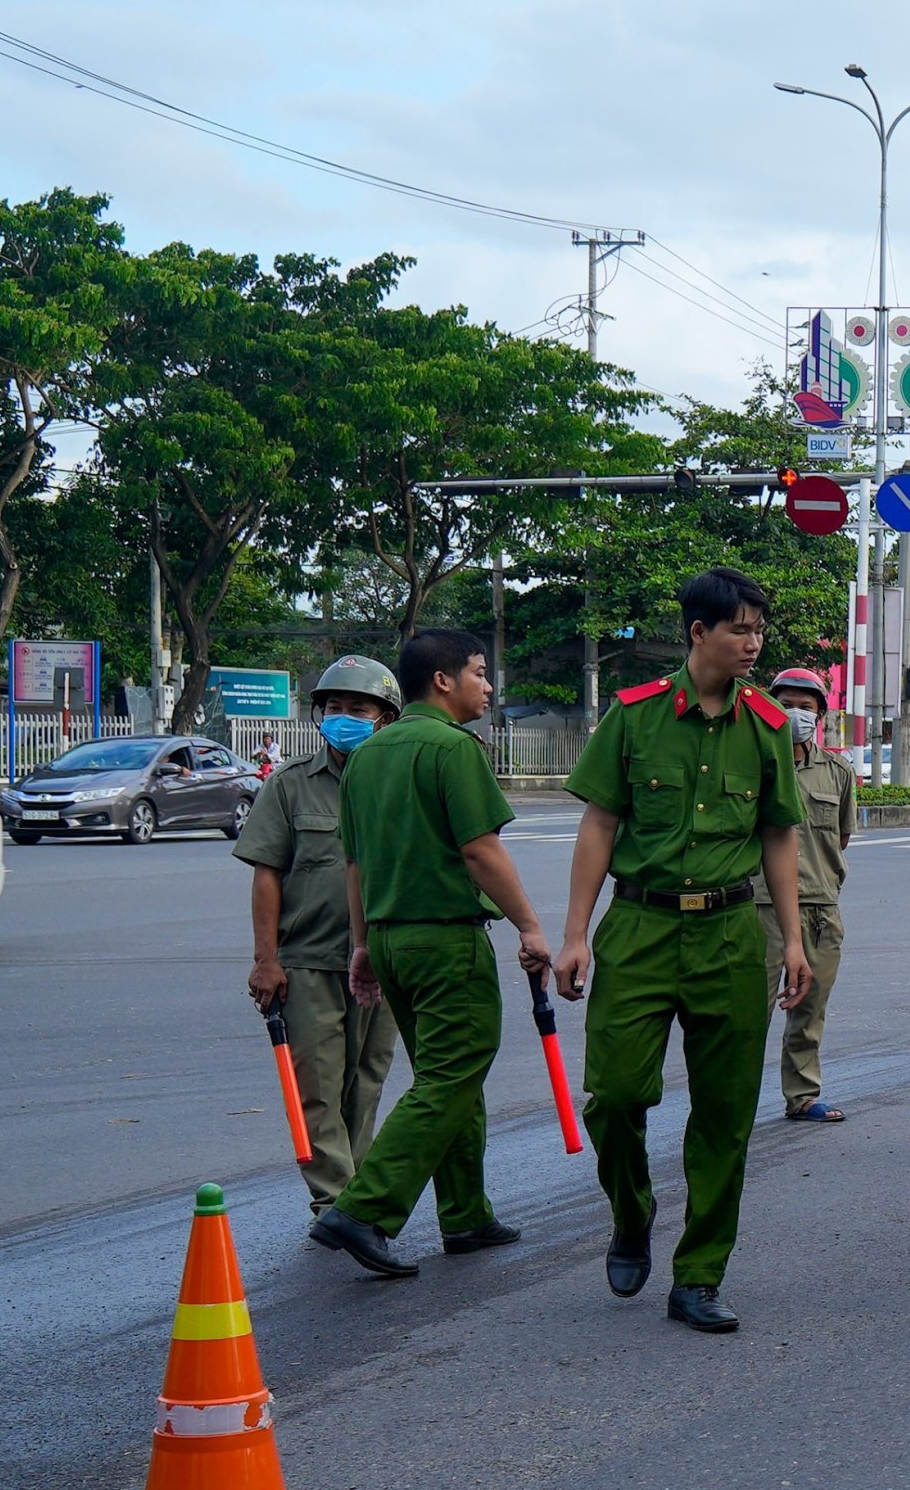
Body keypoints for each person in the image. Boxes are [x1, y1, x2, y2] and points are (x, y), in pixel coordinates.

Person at [553, 568, 810, 1334]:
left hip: (732, 936)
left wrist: (792, 940)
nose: (752, 642)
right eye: (738, 628)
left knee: (726, 1113)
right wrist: (574, 933)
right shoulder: (632, 717)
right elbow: (599, 824)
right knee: (618, 1095)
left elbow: (778, 834)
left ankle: (698, 1274)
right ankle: (632, 1212)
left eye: (758, 629)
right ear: (698, 632)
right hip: (638, 929)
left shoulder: (768, 725)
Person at [309, 629, 552, 1279]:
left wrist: (362, 946)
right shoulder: (453, 748)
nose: (487, 685)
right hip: (444, 937)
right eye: (479, 671)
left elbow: (353, 865)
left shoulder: (367, 758)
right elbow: (480, 849)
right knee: (454, 1071)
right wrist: (529, 926)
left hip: (389, 940)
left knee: (449, 1075)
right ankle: (365, 1209)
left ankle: (466, 1213)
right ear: (442, 681)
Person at [238, 655, 404, 1217]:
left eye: (357, 708)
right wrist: (266, 961)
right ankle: (336, 1202)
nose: (343, 717)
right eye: (333, 708)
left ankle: (355, 1196)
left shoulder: (402, 781)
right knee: (318, 1086)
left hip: (385, 958)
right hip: (309, 960)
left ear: (385, 717)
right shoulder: (288, 787)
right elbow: (267, 875)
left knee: (367, 1081)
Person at [763, 665, 857, 1124]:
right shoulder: (754, 762)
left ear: (820, 713)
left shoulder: (837, 771)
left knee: (810, 1006)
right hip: (759, 906)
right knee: (748, 1010)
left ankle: (802, 1094)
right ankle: (732, 1103)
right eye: (785, 704)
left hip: (819, 907)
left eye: (805, 707)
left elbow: (840, 838)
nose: (795, 714)